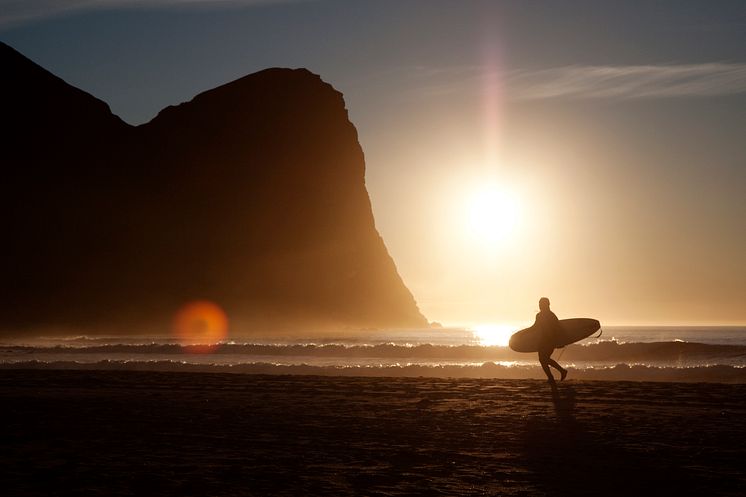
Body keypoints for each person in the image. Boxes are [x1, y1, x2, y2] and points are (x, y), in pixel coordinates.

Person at [535, 297, 568, 384]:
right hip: (542, 341)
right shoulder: (538, 316)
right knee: (543, 359)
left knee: (544, 359)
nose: (540, 306)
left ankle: (554, 376)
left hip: (550, 341)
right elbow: (535, 328)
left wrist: (561, 342)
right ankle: (559, 373)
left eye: (542, 304)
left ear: (547, 305)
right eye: (539, 304)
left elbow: (558, 329)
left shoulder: (551, 316)